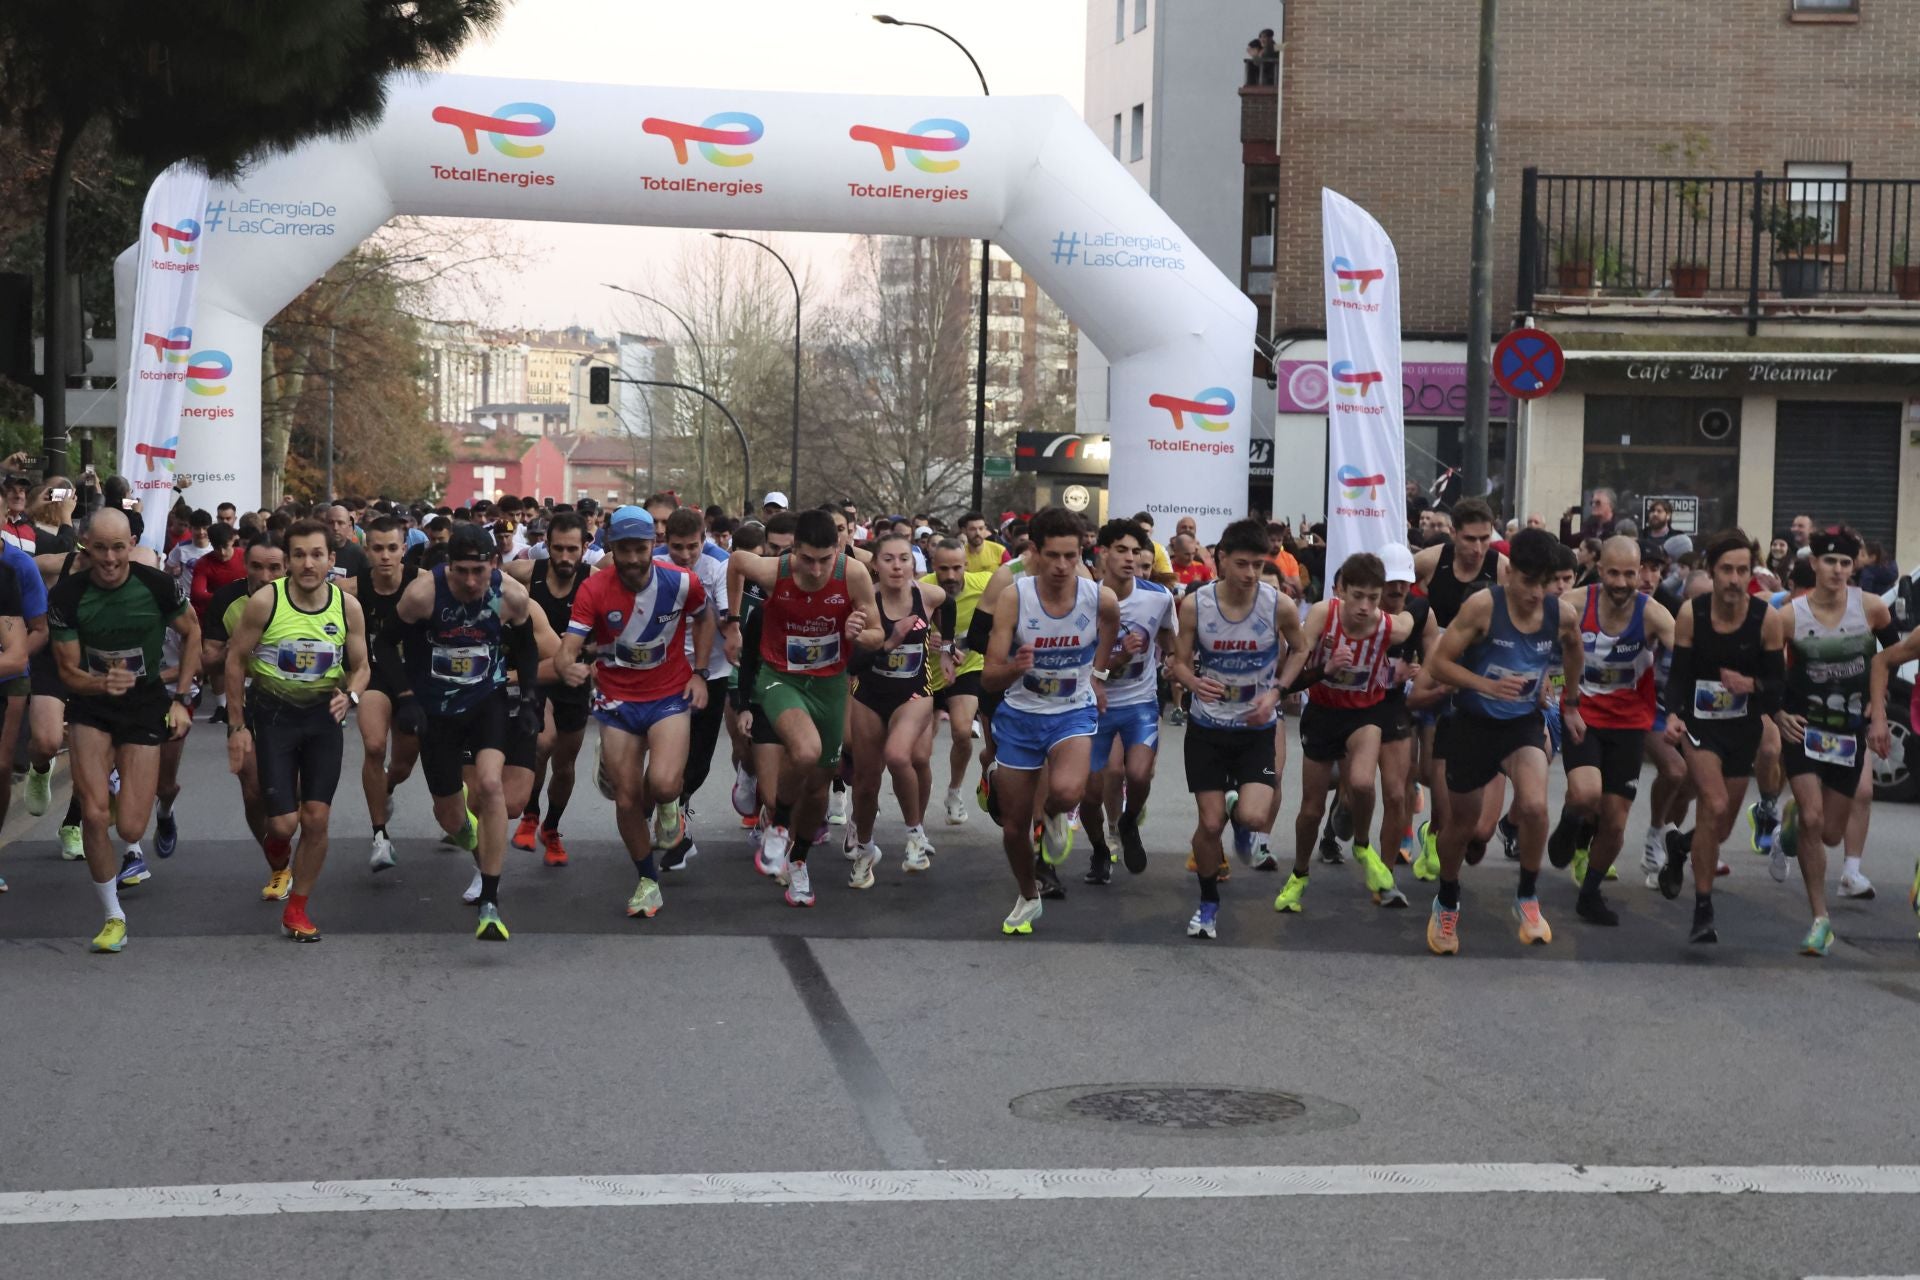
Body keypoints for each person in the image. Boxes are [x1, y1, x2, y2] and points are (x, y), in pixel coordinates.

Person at [1422, 528, 1586, 955]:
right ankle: (1447, 900)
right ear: (1509, 572)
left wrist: (1570, 704)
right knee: (1463, 826)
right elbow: (1438, 663)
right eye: (1528, 582)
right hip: (1472, 723)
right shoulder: (1482, 607)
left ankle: (1527, 897)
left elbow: (1574, 651)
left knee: (1534, 805)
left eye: (1545, 583)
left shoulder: (1560, 614)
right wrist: (1484, 685)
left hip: (1521, 724)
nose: (1536, 593)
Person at [47, 509, 198, 953]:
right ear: (86, 548)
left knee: (130, 825)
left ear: (131, 545)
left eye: (118, 548)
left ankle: (130, 796)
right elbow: (68, 672)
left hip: (145, 704)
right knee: (94, 814)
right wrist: (101, 682)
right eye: (100, 548)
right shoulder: (68, 596)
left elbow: (192, 631)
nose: (110, 558)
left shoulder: (157, 586)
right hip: (92, 706)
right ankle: (113, 915)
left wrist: (181, 698)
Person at [557, 506, 711, 920]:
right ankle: (647, 881)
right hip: (617, 701)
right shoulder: (593, 589)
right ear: (611, 546)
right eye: (622, 549)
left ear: (652, 545)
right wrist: (567, 665)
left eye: (639, 548)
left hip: (668, 695)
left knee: (662, 784)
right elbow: (569, 646)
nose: (631, 558)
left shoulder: (681, 582)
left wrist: (700, 673)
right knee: (626, 800)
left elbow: (704, 617)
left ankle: (669, 806)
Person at [221, 519, 369, 942]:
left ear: (331, 560)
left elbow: (361, 666)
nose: (308, 564)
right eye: (300, 555)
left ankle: (297, 909)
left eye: (317, 555)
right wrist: (236, 726)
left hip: (323, 720)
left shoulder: (347, 608)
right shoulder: (266, 602)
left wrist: (352, 696)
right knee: (284, 825)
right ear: (288, 562)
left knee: (317, 818)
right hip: (274, 718)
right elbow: (235, 660)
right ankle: (278, 855)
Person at [725, 509, 882, 907]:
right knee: (805, 751)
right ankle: (777, 825)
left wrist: (860, 633)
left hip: (829, 685)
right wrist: (731, 621)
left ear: (839, 550)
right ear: (793, 551)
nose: (815, 569)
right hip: (781, 678)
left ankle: (798, 862)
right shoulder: (773, 571)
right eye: (807, 559)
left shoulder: (854, 574)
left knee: (818, 789)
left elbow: (878, 635)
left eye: (824, 559)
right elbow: (737, 560)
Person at [391, 523, 541, 941]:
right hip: (436, 710)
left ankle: (490, 901)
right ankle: (472, 836)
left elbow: (527, 647)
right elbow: (386, 645)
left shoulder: (510, 595)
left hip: (485, 700)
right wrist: (407, 698)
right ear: (449, 567)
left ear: (494, 563)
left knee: (491, 786)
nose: (471, 580)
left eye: (479, 569)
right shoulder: (423, 595)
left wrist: (528, 701)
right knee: (451, 815)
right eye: (461, 571)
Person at [982, 507, 1122, 936]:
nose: (1063, 566)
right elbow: (989, 674)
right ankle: (1028, 895)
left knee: (1065, 790)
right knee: (1012, 829)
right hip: (1021, 716)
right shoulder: (1015, 597)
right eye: (1053, 556)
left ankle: (1058, 814)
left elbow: (1111, 629)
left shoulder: (1100, 597)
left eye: (1072, 555)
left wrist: (1097, 676)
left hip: (1072, 711)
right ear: (1035, 553)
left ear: (1083, 553)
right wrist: (1016, 667)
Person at [1166, 518, 1303, 937]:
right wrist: (1191, 682)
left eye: (1258, 566)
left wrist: (1276, 692)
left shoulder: (1277, 604)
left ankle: (1240, 818)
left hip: (1255, 728)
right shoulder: (1196, 605)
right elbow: (1177, 662)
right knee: (1209, 827)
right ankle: (1208, 904)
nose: (1249, 575)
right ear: (1221, 559)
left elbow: (1301, 649)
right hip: (1207, 727)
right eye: (1241, 564)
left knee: (1256, 816)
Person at [1766, 528, 1892, 957]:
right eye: (1829, 562)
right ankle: (1820, 919)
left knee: (1833, 834)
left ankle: (1792, 819)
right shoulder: (1788, 617)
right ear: (1814, 564)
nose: (1838, 570)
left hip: (1847, 733)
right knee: (1815, 818)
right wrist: (1778, 713)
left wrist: (1877, 711)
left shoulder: (1872, 610)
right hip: (1804, 730)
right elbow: (1767, 671)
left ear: (1853, 566)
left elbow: (1885, 658)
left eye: (1845, 563)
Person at [1661, 529, 1786, 945]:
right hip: (1700, 725)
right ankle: (1702, 909)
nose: (1735, 579)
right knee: (1712, 804)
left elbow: (1778, 686)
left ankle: (1680, 847)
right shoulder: (1691, 614)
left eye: (1743, 570)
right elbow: (1678, 676)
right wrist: (1673, 715)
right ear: (1711, 572)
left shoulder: (1765, 618)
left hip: (1742, 728)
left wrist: (1752, 685)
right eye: (1727, 570)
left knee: (1722, 827)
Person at [1275, 551, 1415, 915]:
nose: (1365, 606)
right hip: (1322, 713)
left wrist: (1401, 669)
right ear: (1342, 592)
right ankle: (1299, 874)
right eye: (1358, 596)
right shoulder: (1324, 614)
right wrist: (1326, 667)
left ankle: (1363, 846)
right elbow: (1296, 673)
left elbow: (1414, 621)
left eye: (1373, 597)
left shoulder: (1390, 626)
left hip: (1364, 714)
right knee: (1311, 810)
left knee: (1364, 784)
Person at [1547, 536, 1676, 926]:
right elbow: (1535, 644)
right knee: (1586, 796)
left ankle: (1590, 894)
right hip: (1582, 714)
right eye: (1614, 573)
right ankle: (1571, 820)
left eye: (1630, 574)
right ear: (1600, 570)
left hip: (1629, 723)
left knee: (1616, 822)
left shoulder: (1653, 614)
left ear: (1641, 575)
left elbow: (1688, 655)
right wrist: (1544, 686)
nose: (1621, 583)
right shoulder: (1572, 605)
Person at [842, 531, 951, 884]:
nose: (897, 566)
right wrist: (890, 641)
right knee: (865, 781)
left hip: (914, 694)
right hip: (869, 695)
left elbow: (947, 604)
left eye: (904, 558)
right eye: (888, 559)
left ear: (914, 564)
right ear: (875, 564)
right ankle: (865, 848)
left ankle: (915, 835)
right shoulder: (864, 603)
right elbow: (853, 665)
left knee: (900, 755)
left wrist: (946, 646)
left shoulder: (928, 595)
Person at [1410, 497, 1502, 882]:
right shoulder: (1432, 561)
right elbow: (1394, 592)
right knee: (1431, 773)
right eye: (1470, 539)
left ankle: (1445, 832)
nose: (1478, 548)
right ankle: (1433, 829)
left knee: (1470, 826)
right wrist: (1410, 644)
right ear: (1454, 534)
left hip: (1477, 672)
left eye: (1485, 538)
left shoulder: (1502, 568)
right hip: (1435, 668)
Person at [1080, 518, 1175, 885]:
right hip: (1092, 704)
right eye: (1121, 550)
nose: (1130, 558)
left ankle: (1129, 820)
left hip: (1139, 701)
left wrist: (1177, 663)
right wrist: (1117, 658)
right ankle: (1099, 849)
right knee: (1088, 793)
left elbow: (1169, 639)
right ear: (1102, 554)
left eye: (1136, 551)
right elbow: (1080, 658)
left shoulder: (1158, 597)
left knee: (1137, 774)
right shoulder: (1085, 598)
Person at [504, 511, 589, 867]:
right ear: (546, 547)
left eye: (573, 549)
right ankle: (530, 813)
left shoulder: (595, 581)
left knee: (565, 764)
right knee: (541, 743)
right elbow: (490, 583)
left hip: (574, 679)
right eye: (558, 549)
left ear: (586, 547)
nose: (565, 557)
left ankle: (551, 827)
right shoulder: (526, 574)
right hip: (537, 675)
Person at [348, 516, 422, 872]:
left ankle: (387, 786)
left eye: (393, 548)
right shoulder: (352, 588)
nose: (386, 556)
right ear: (367, 550)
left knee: (404, 763)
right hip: (373, 677)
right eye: (378, 548)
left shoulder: (422, 584)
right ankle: (380, 836)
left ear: (404, 549)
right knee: (375, 746)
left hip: (415, 680)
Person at [923, 537, 992, 826]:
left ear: (966, 565)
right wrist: (927, 637)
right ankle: (917, 807)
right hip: (926, 674)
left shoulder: (985, 584)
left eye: (956, 568)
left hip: (967, 670)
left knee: (963, 732)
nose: (950, 576)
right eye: (943, 569)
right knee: (919, 752)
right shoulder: (921, 588)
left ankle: (954, 791)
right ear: (933, 567)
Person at [325, 503, 369, 581]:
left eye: (340, 523)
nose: (335, 528)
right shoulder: (317, 551)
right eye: (331, 522)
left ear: (349, 525)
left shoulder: (358, 553)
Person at [958, 511, 1006, 576]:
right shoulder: (959, 555)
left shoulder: (1000, 551)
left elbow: (1015, 574)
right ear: (964, 530)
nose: (978, 533)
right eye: (973, 529)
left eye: (981, 528)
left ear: (985, 529)